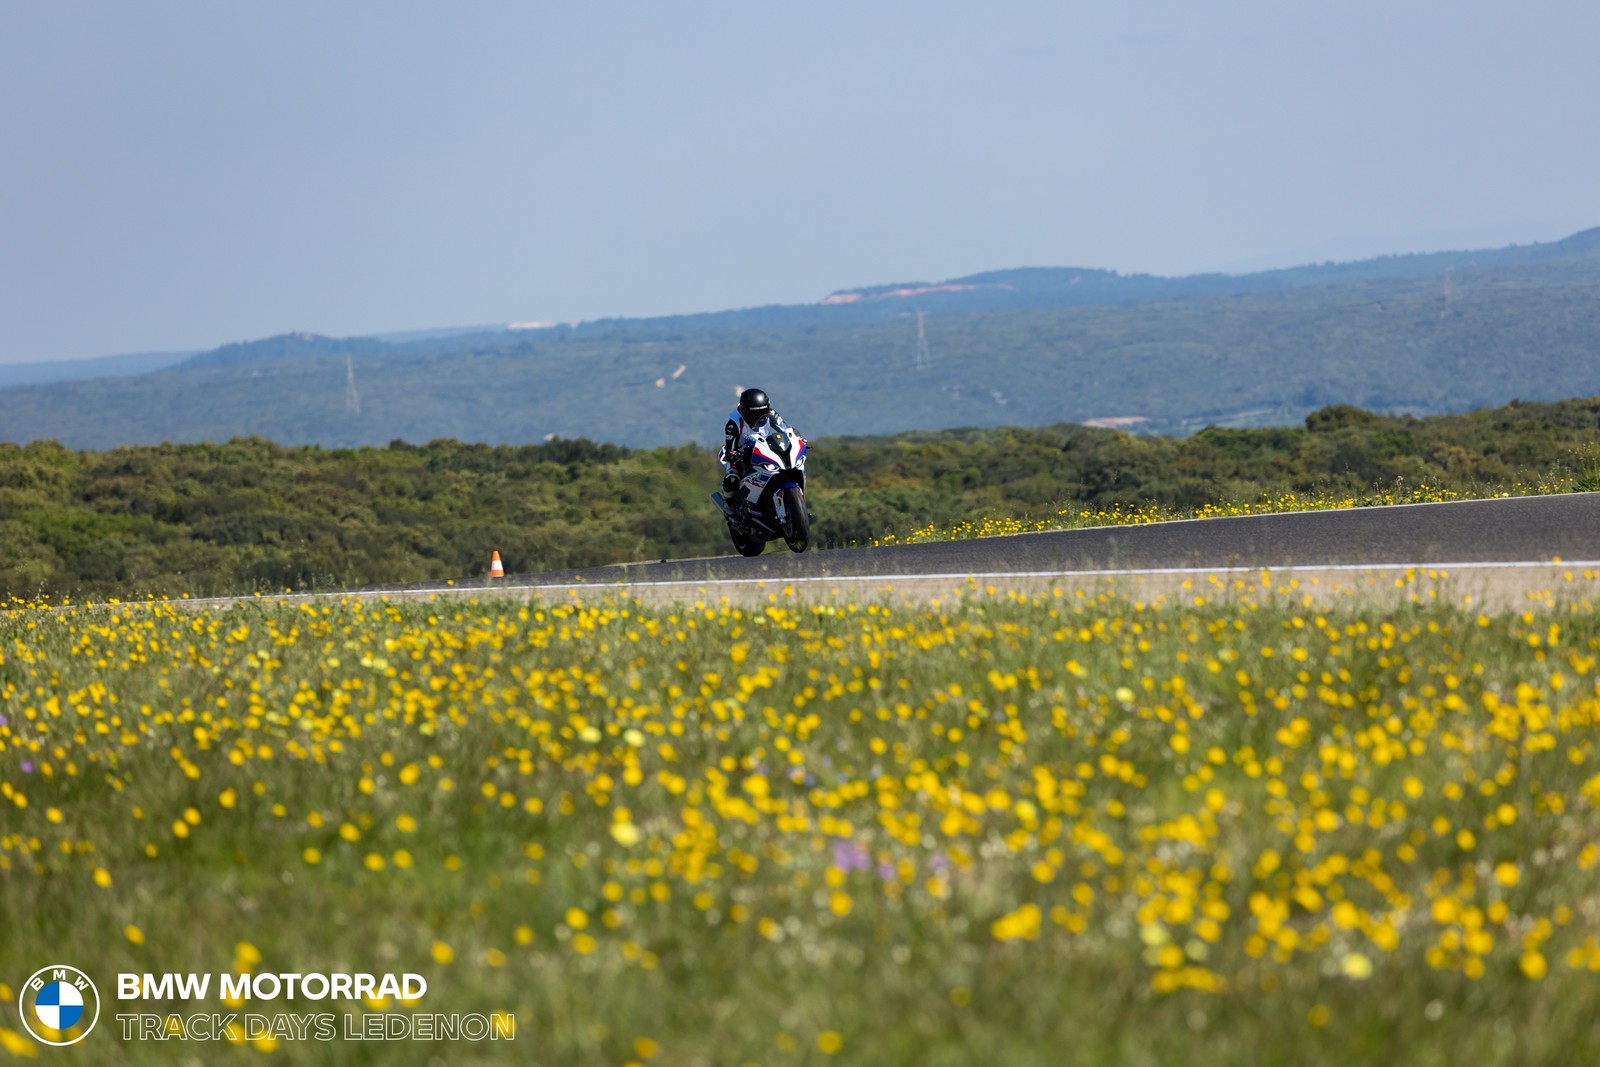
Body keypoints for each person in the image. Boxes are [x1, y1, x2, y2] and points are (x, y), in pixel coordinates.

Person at [720, 387, 776, 497]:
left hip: (764, 451)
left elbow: (785, 428)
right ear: (744, 411)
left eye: (762, 412)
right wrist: (736, 454)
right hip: (741, 455)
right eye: (754, 414)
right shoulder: (734, 423)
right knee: (732, 480)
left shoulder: (771, 414)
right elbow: (730, 451)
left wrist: (794, 435)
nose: (759, 417)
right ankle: (728, 502)